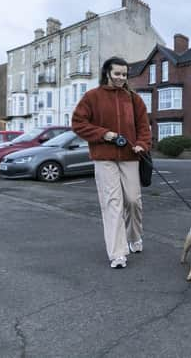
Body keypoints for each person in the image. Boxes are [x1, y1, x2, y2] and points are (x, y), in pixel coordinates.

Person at [72, 56, 152, 268]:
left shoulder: (134, 99)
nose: (120, 78)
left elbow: (144, 127)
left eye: (124, 74)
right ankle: (118, 253)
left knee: (133, 201)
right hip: (103, 157)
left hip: (130, 157)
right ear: (107, 73)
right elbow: (78, 123)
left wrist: (142, 144)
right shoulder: (92, 97)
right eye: (117, 73)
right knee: (112, 204)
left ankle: (134, 235)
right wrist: (104, 134)